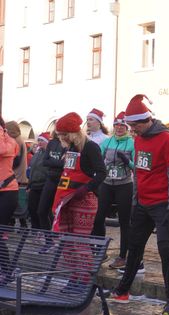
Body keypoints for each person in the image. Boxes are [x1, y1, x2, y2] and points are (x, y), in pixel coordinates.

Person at [109, 94, 169, 315]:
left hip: (162, 204)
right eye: (130, 126)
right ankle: (123, 290)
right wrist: (135, 200)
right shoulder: (139, 140)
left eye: (135, 126)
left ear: (146, 121)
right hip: (142, 202)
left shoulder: (167, 139)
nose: (133, 130)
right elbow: (139, 173)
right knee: (134, 248)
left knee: (165, 250)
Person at [51, 112, 106, 293]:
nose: (62, 139)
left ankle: (84, 280)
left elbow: (101, 173)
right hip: (68, 200)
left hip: (84, 200)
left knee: (80, 242)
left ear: (72, 133)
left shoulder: (90, 147)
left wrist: (86, 188)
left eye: (64, 135)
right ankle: (74, 277)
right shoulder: (72, 147)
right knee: (66, 241)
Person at [93, 112, 135, 269]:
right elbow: (98, 158)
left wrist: (127, 161)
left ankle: (123, 256)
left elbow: (136, 167)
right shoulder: (107, 141)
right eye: (116, 125)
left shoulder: (131, 143)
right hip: (107, 184)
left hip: (124, 184)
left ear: (127, 128)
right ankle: (99, 251)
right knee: (98, 218)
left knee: (124, 222)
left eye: (122, 126)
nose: (119, 128)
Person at [0, 117, 19, 286]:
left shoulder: (8, 141)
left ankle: (7, 270)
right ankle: (5, 269)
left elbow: (2, 150)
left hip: (8, 191)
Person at [39, 130, 65, 231]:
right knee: (41, 211)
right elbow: (45, 161)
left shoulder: (69, 144)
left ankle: (59, 239)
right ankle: (49, 241)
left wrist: (52, 161)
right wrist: (58, 162)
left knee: (59, 212)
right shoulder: (52, 142)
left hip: (63, 180)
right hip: (50, 178)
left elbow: (65, 164)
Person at [26, 132, 50, 229]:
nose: (39, 142)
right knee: (32, 209)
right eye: (39, 140)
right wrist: (29, 183)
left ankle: (45, 231)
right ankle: (35, 229)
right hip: (34, 185)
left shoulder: (49, 153)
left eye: (42, 141)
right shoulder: (37, 153)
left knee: (42, 210)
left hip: (44, 185)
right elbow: (32, 168)